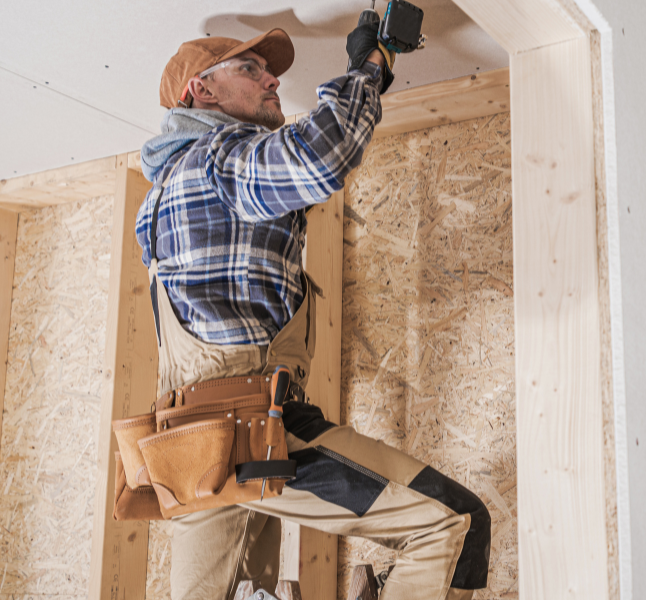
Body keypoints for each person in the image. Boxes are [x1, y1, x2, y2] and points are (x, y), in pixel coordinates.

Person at [135, 26, 490, 600]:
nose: (273, 79)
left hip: (194, 448)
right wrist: (370, 66)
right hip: (248, 426)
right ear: (201, 90)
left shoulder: (163, 194)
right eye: (250, 70)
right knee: (453, 524)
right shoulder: (216, 161)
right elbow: (318, 156)